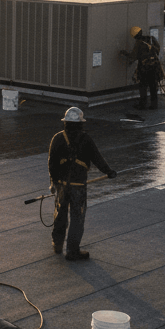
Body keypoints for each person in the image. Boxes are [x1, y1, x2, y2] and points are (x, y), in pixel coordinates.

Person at [47, 107, 116, 261]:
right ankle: (72, 251)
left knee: (60, 215)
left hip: (61, 186)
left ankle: (57, 245)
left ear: (65, 122)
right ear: (80, 123)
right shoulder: (85, 139)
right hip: (78, 186)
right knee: (77, 218)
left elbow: (52, 164)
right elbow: (97, 158)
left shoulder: (57, 138)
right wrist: (108, 171)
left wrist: (53, 183)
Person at [120, 26, 163, 110]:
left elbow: (133, 56)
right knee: (153, 86)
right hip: (155, 66)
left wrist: (124, 53)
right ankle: (154, 105)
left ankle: (142, 105)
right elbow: (158, 49)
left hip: (144, 68)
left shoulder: (139, 43)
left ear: (134, 36)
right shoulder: (151, 39)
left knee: (143, 86)